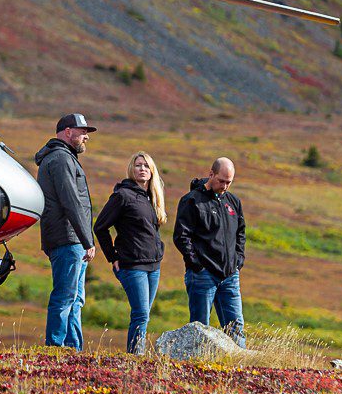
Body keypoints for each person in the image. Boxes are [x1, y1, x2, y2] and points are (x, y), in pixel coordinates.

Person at [93, 151, 167, 354]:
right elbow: (100, 227)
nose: (142, 169)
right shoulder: (122, 195)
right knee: (141, 314)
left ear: (152, 172)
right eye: (138, 165)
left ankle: (136, 356)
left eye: (146, 166)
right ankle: (135, 357)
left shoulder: (151, 198)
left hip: (153, 265)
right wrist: (112, 257)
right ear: (131, 169)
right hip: (132, 265)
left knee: (145, 315)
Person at [36, 113, 97, 350]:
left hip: (71, 239)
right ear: (68, 132)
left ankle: (73, 350)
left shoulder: (64, 158)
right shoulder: (61, 159)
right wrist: (86, 239)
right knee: (65, 296)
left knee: (75, 299)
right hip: (68, 239)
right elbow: (71, 201)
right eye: (82, 132)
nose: (86, 137)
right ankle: (56, 348)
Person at [173, 157, 246, 347]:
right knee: (199, 328)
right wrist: (197, 265)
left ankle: (240, 370)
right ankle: (195, 368)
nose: (225, 186)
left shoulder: (233, 202)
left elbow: (241, 233)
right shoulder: (191, 201)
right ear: (211, 174)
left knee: (236, 328)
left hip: (230, 275)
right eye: (221, 181)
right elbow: (181, 236)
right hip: (203, 276)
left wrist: (239, 260)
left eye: (229, 182)